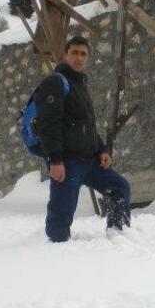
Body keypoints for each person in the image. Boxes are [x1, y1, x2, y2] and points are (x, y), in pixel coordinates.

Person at [33, 35, 131, 242]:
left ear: (88, 58)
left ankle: (118, 233)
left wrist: (102, 150)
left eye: (83, 54)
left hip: (90, 162)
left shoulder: (80, 85)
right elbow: (48, 125)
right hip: (67, 163)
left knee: (120, 188)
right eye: (75, 53)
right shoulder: (55, 83)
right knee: (61, 219)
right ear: (66, 55)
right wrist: (55, 160)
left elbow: (86, 127)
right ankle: (54, 253)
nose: (79, 58)